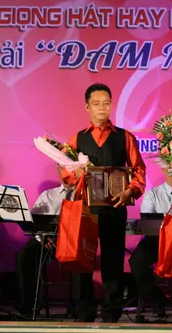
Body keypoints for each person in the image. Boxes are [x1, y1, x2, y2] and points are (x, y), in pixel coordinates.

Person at [62, 83, 146, 322]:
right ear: (87, 107)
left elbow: (139, 169)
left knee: (113, 261)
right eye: (96, 103)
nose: (102, 108)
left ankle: (111, 314)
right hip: (85, 210)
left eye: (106, 103)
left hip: (115, 207)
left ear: (111, 106)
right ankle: (83, 312)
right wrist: (74, 173)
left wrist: (130, 191)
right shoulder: (77, 138)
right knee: (82, 261)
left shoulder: (125, 137)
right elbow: (64, 172)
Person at [129, 170, 172, 319]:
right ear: (164, 171)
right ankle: (157, 299)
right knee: (137, 262)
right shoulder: (153, 194)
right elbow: (149, 224)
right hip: (159, 240)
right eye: (171, 169)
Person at [15, 178, 75, 316]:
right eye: (62, 168)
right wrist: (43, 237)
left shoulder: (84, 194)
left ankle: (77, 307)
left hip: (72, 241)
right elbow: (34, 222)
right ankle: (28, 306)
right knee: (23, 255)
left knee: (80, 254)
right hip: (46, 239)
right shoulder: (47, 195)